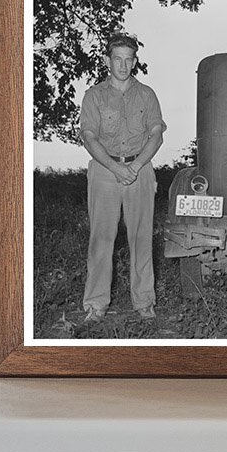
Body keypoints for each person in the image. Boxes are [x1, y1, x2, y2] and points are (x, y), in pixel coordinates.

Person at [78, 33, 166, 323]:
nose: (123, 65)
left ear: (135, 61)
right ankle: (95, 305)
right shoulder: (94, 95)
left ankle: (144, 303)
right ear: (107, 61)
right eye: (118, 59)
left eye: (129, 59)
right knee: (101, 239)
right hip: (104, 172)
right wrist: (116, 169)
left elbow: (156, 134)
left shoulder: (147, 94)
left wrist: (138, 165)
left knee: (141, 238)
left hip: (140, 170)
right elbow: (89, 137)